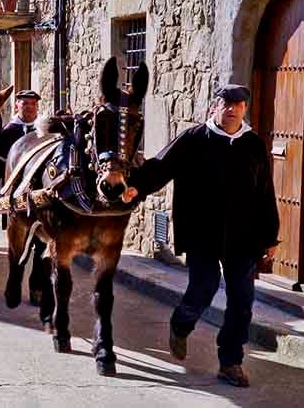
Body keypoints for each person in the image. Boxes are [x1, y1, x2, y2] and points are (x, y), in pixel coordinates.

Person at [123, 84, 280, 388]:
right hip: (202, 232)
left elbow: (265, 192)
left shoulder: (252, 144)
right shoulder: (195, 138)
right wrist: (137, 187)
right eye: (226, 103)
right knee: (204, 286)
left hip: (243, 237)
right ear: (214, 107)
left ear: (245, 109)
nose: (232, 109)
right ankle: (181, 324)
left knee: (242, 302)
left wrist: (270, 237)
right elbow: (161, 165)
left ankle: (230, 362)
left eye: (238, 104)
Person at [0, 89, 48, 306]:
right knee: (17, 246)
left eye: (33, 104)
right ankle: (14, 282)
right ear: (17, 106)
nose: (29, 107)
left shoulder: (45, 131)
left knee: (42, 248)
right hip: (17, 198)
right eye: (24, 104)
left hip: (42, 198)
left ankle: (37, 287)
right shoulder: (8, 133)